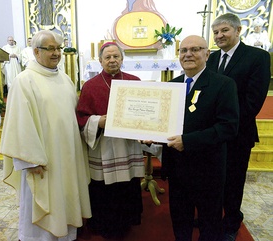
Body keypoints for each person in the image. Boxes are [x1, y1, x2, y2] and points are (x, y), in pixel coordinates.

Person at [0, 30, 92, 241]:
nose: (56, 53)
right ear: (36, 51)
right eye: (50, 49)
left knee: (65, 202)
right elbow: (19, 125)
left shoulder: (65, 79)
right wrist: (29, 161)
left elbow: (73, 117)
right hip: (41, 163)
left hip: (67, 157)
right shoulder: (24, 81)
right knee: (43, 211)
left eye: (58, 48)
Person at [160, 35, 239, 241]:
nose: (188, 54)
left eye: (195, 49)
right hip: (177, 168)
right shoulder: (172, 85)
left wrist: (188, 142)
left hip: (208, 169)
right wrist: (152, 135)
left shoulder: (223, 84)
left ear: (207, 54)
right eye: (183, 50)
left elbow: (228, 127)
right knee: (180, 218)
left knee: (209, 222)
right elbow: (164, 123)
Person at [206, 13, 271, 241]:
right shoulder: (211, 59)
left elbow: (253, 101)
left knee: (233, 181)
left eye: (224, 30)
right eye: (216, 32)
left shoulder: (258, 57)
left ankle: (232, 222)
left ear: (238, 30)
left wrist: (223, 123)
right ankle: (212, 216)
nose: (219, 36)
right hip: (212, 134)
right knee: (212, 179)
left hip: (237, 133)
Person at [76, 42, 145, 239]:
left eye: (116, 56)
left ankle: (127, 220)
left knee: (127, 185)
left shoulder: (135, 81)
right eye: (108, 57)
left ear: (122, 59)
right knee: (104, 187)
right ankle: (103, 222)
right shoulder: (90, 86)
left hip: (127, 144)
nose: (112, 60)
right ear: (100, 61)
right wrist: (98, 122)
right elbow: (81, 117)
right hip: (103, 147)